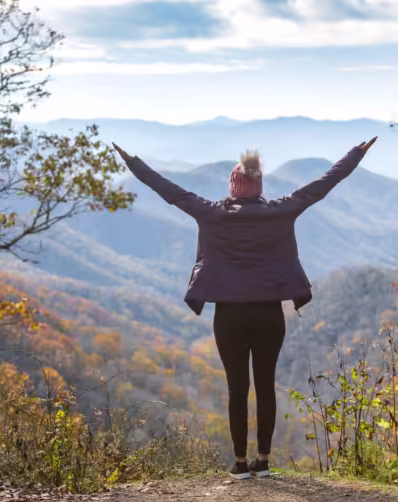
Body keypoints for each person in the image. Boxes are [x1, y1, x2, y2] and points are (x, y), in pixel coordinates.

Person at [112, 137, 378, 479]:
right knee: (265, 385)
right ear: (259, 187)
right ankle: (263, 461)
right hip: (269, 314)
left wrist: (131, 161)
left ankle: (239, 463)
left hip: (230, 317)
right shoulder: (282, 209)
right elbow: (324, 183)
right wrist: (356, 153)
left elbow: (168, 190)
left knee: (237, 389)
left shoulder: (212, 214)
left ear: (234, 188)